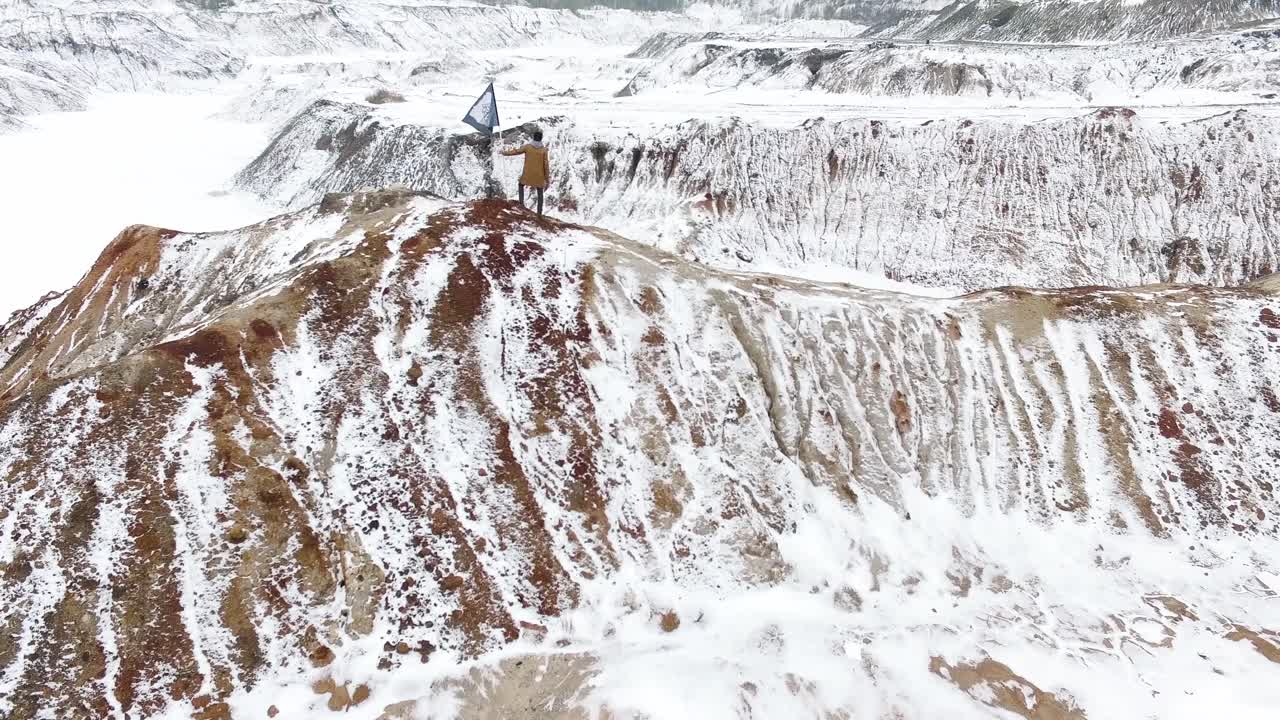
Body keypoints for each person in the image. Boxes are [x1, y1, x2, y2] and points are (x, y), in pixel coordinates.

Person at [501, 129, 550, 216]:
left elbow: (516, 151)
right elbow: (546, 165)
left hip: (527, 174)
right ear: (541, 139)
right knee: (540, 192)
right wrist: (547, 179)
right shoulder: (544, 150)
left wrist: (505, 153)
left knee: (521, 184)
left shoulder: (528, 147)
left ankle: (521, 205)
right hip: (539, 176)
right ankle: (539, 213)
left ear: (533, 138)